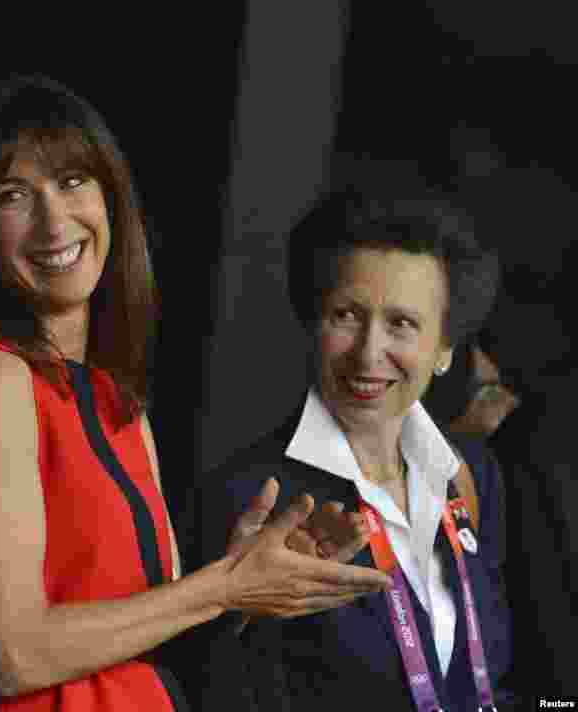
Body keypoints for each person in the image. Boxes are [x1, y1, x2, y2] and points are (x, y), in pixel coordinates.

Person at [0, 75, 390, 712]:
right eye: (14, 195)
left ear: (110, 197)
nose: (54, 220)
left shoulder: (114, 399)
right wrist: (224, 586)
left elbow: (138, 645)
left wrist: (250, 581)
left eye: (73, 181)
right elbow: (12, 655)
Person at [191, 187, 516, 711]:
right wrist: (241, 607)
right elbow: (214, 686)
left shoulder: (474, 475)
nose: (369, 353)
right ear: (311, 323)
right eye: (346, 315)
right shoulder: (250, 494)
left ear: (444, 350)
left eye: (401, 324)